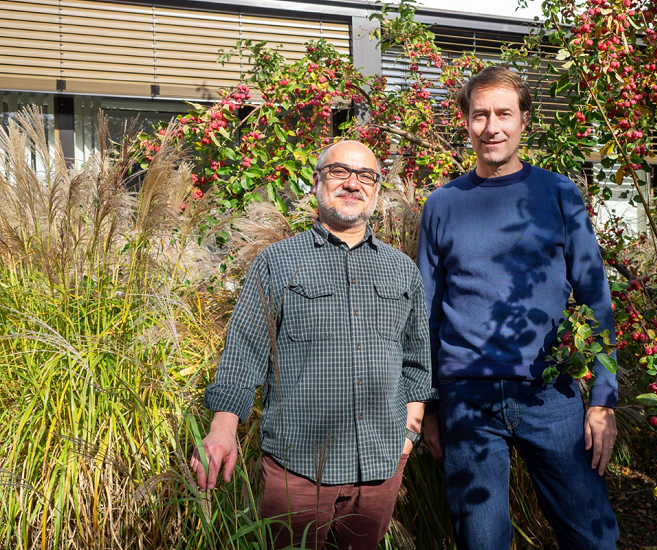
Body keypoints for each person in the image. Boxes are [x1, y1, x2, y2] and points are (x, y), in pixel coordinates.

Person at [191, 140, 437, 549]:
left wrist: (408, 438)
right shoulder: (277, 262)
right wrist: (222, 429)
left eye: (366, 176)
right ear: (317, 180)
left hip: (380, 468)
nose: (353, 184)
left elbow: (416, 362)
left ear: (376, 188)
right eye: (340, 172)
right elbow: (244, 351)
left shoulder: (402, 270)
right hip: (297, 470)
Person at [417, 66, 620, 549]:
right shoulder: (442, 205)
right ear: (465, 122)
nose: (492, 127)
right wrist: (427, 407)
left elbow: (596, 298)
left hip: (550, 395)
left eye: (504, 114)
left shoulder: (558, 195)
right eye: (480, 115)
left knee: (593, 537)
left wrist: (602, 399)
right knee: (482, 542)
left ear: (524, 119)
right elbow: (425, 314)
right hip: (468, 402)